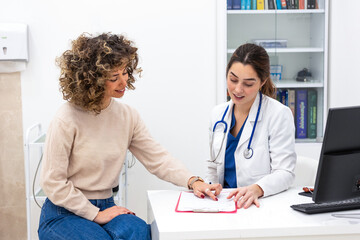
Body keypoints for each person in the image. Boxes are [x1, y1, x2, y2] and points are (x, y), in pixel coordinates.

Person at [38, 32, 222, 240]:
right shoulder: (66, 118)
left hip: (106, 204)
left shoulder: (127, 116)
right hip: (63, 212)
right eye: (114, 78)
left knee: (141, 233)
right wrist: (94, 214)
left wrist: (193, 181)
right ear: (92, 80)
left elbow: (157, 158)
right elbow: (53, 182)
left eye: (125, 73)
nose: (123, 82)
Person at [206, 43, 296, 210]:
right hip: (223, 204)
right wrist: (209, 188)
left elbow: (285, 172)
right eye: (233, 80)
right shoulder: (218, 114)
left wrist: (257, 189)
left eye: (248, 84)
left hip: (258, 204)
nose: (238, 89)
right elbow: (212, 166)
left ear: (262, 82)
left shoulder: (278, 114)